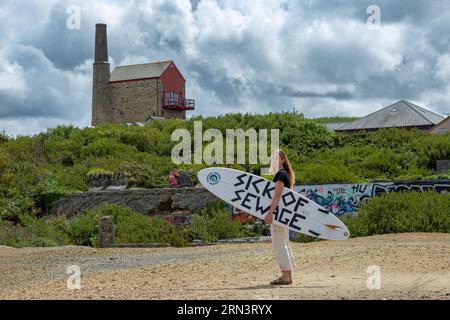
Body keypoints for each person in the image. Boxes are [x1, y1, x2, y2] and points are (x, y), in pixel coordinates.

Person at [264, 149, 296, 285]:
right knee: (283, 244)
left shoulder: (280, 175)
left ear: (283, 159)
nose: (274, 161)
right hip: (283, 215)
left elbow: (277, 195)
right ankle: (287, 275)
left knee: (279, 245)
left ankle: (286, 276)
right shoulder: (284, 174)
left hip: (278, 216)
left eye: (276, 158)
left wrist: (270, 213)